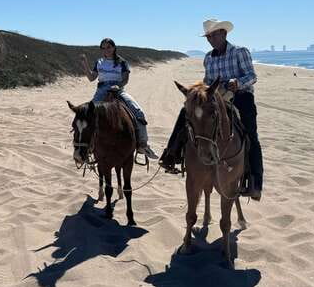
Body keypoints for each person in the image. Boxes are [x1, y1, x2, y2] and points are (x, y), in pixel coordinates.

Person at [159, 19, 264, 200]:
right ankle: (171, 154)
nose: (211, 39)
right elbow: (207, 81)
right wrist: (197, 92)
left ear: (224, 33)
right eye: (208, 36)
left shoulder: (240, 52)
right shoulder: (208, 57)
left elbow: (252, 76)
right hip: (216, 97)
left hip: (240, 96)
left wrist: (237, 83)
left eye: (214, 35)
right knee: (187, 113)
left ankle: (255, 182)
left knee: (251, 135)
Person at [80, 38, 159, 159]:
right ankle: (85, 148)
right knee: (86, 115)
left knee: (138, 111)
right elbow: (91, 78)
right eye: (103, 48)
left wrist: (119, 86)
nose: (106, 50)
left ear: (114, 48)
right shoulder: (99, 62)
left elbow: (125, 79)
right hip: (101, 90)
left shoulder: (122, 62)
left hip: (117, 89)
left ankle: (143, 144)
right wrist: (85, 65)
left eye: (108, 47)